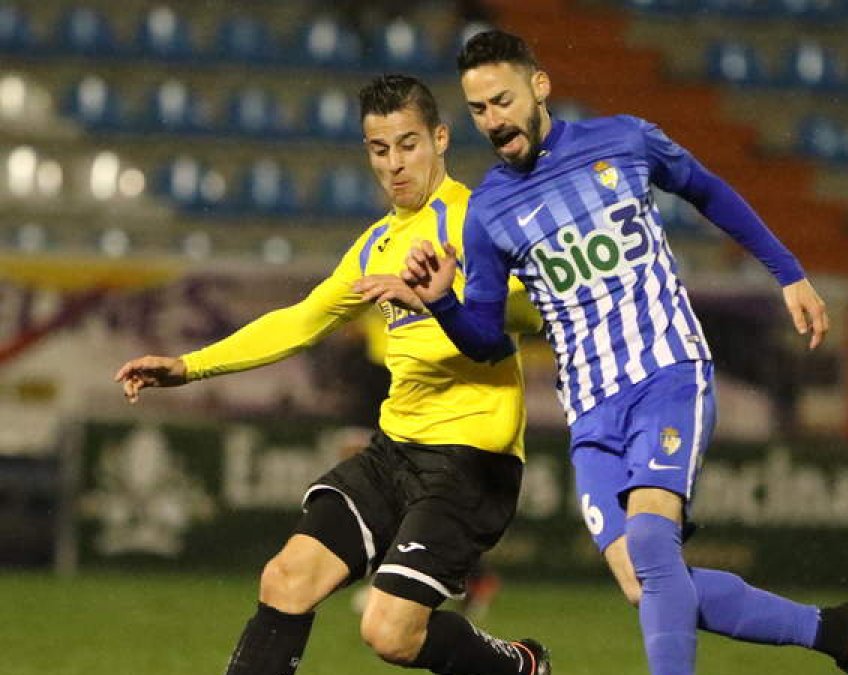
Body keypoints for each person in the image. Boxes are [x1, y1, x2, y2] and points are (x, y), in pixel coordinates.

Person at [401, 29, 848, 675]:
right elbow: (488, 340)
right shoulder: (489, 209)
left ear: (539, 85)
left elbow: (709, 190)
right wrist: (444, 303)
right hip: (590, 412)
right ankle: (836, 629)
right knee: (644, 579)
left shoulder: (624, 140)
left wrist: (789, 273)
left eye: (502, 101)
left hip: (668, 373)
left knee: (650, 539)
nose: (494, 121)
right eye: (479, 110)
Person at [113, 74, 551, 675]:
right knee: (286, 578)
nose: (394, 164)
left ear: (441, 139)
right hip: (396, 450)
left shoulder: (477, 220)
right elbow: (301, 321)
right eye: (379, 149)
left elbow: (534, 309)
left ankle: (518, 667)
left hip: (471, 459)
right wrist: (189, 367)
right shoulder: (376, 245)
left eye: (408, 144)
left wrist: (443, 300)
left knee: (390, 634)